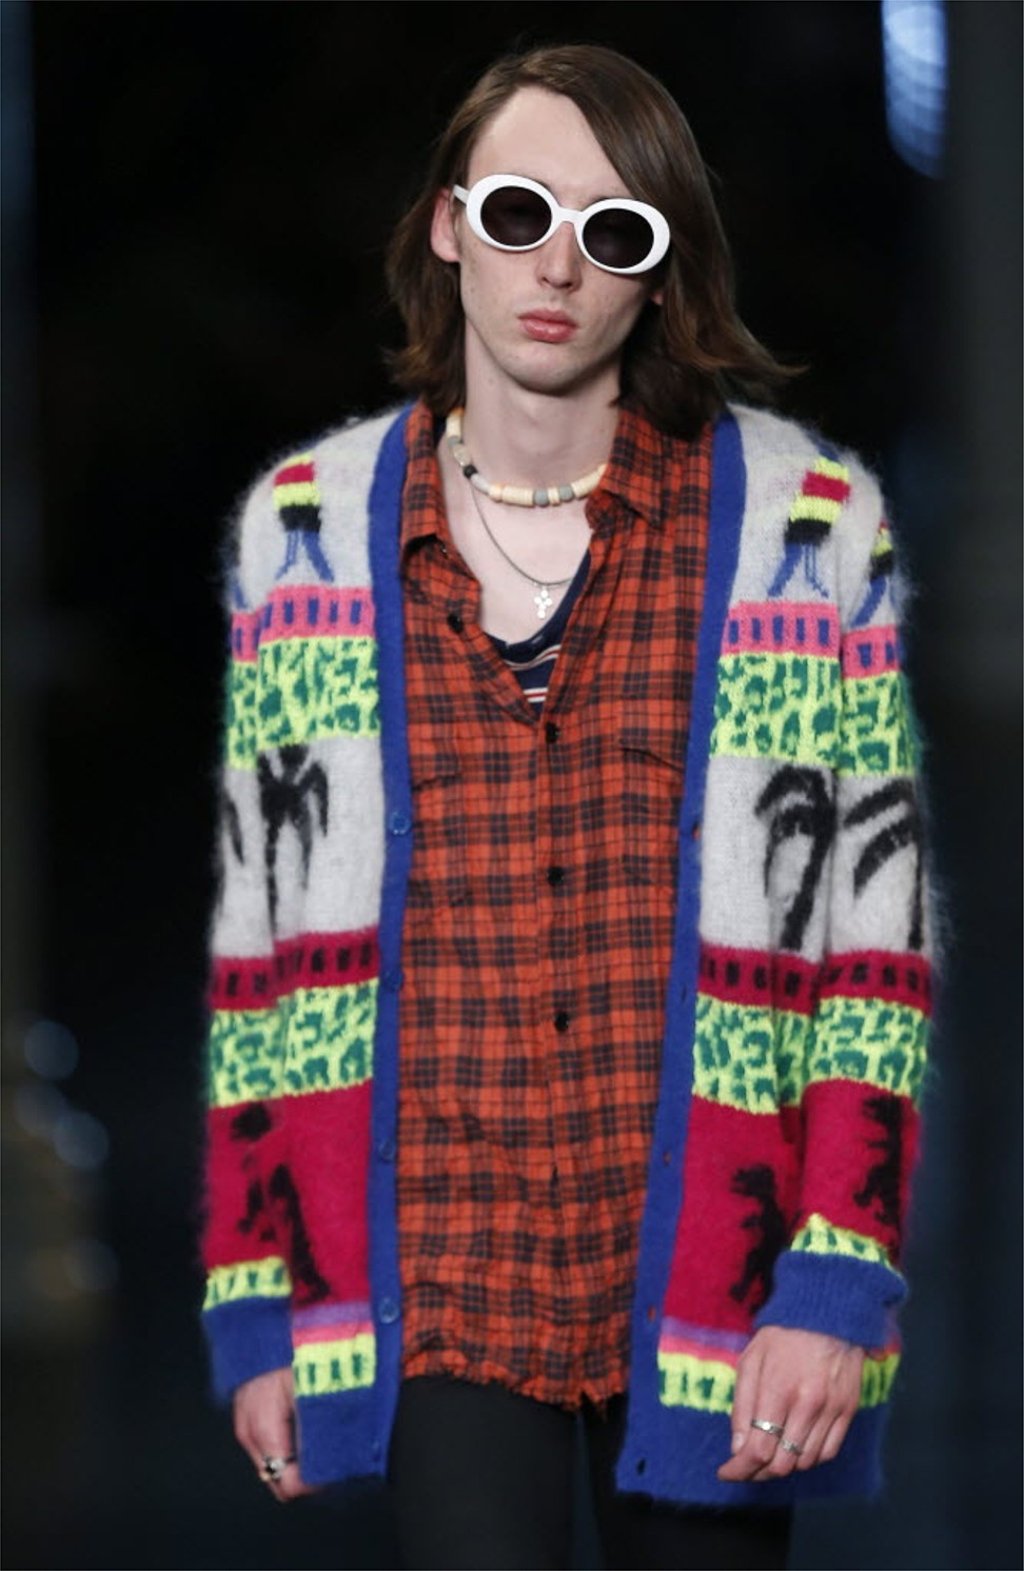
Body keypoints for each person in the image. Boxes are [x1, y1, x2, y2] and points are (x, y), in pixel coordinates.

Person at [199, 43, 936, 1571]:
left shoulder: (804, 529)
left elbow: (876, 956)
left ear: (659, 276)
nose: (559, 268)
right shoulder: (310, 534)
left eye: (616, 233)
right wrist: (253, 1293)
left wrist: (837, 1281)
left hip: (714, 1271)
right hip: (437, 1263)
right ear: (451, 223)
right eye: (524, 210)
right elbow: (262, 954)